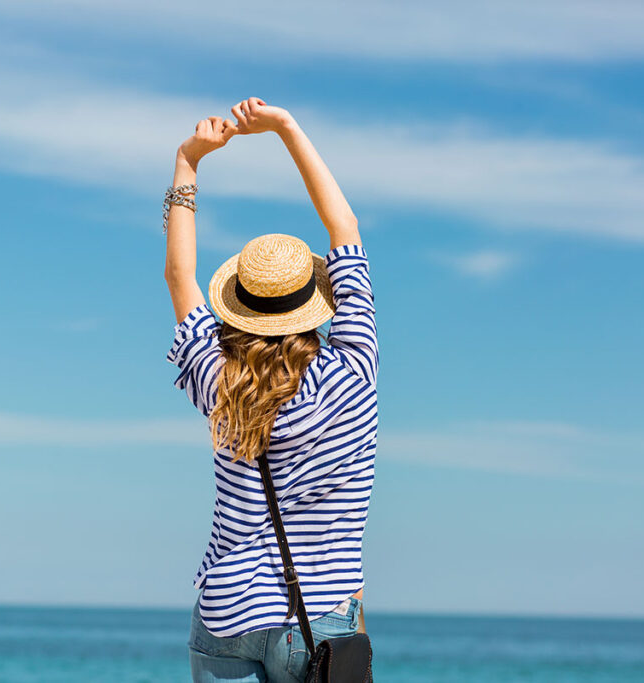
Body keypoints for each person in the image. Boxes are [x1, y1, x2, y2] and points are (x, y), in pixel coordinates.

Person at [163, 97, 378, 683]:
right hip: (319, 622)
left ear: (241, 308)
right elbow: (346, 229)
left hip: (227, 615)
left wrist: (188, 162)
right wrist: (286, 127)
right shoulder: (355, 372)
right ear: (315, 303)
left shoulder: (219, 380)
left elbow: (181, 278)